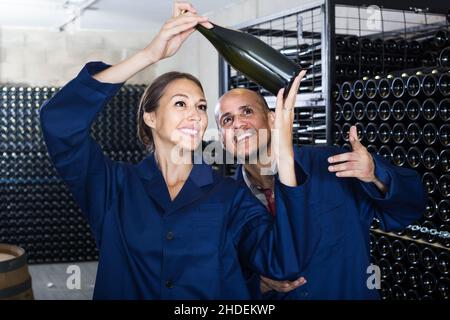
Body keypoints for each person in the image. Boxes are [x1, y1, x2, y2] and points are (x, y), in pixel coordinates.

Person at [40, 2, 314, 299]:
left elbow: (284, 264)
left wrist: (284, 151)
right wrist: (150, 55)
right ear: (151, 117)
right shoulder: (113, 187)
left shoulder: (230, 196)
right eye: (180, 103)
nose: (195, 115)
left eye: (201, 107)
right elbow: (58, 122)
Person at [215, 87, 427, 299]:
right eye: (227, 120)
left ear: (272, 119)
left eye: (247, 112)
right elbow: (221, 277)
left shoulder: (332, 165)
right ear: (223, 140)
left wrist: (376, 175)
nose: (238, 124)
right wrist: (254, 283)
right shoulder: (224, 205)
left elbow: (410, 209)